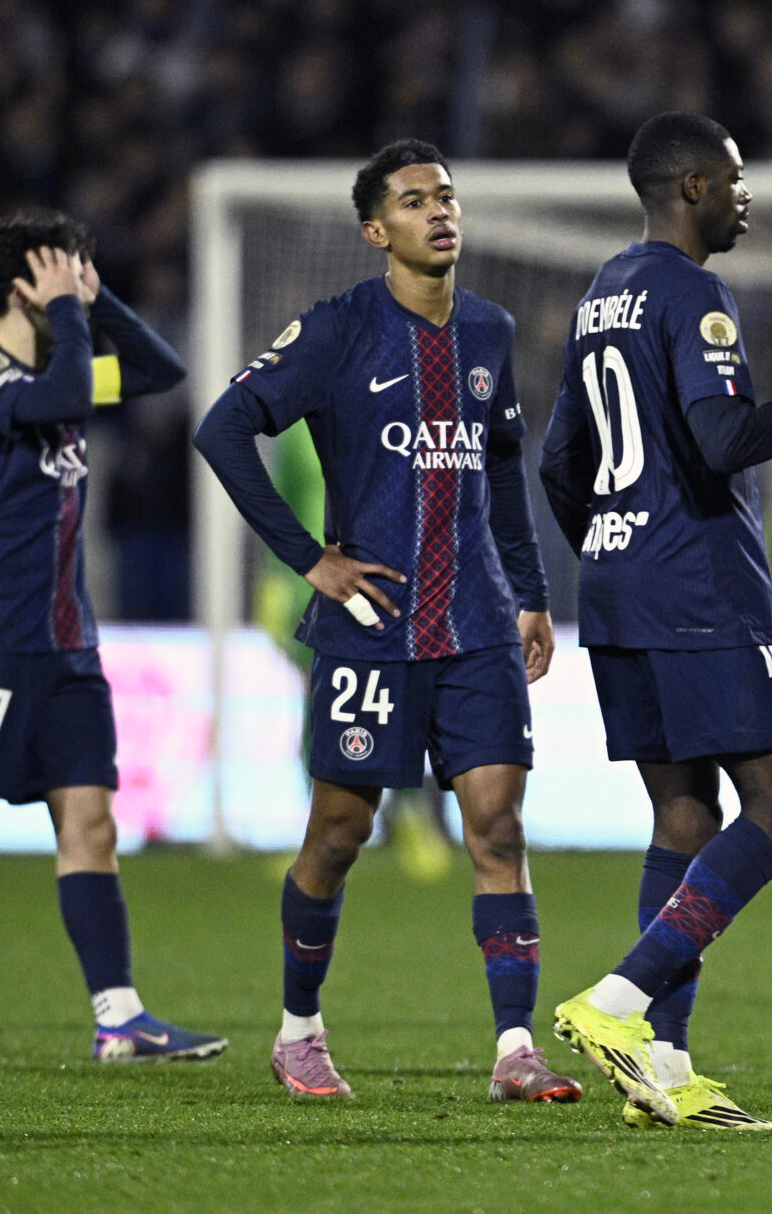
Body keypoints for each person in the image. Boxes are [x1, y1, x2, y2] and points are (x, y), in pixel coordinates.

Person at [193, 139, 579, 1105]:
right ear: (376, 232)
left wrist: (531, 593)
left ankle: (516, 1050)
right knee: (338, 832)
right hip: (372, 626)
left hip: (478, 624)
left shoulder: (488, 330)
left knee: (498, 829)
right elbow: (222, 429)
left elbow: (500, 471)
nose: (438, 211)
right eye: (413, 201)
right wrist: (307, 558)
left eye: (446, 196)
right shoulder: (337, 330)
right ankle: (299, 1033)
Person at [538, 111, 772, 1131]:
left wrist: (612, 543)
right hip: (699, 589)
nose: (745, 194)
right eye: (733, 178)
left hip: (618, 589)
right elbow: (724, 438)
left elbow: (559, 462)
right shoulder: (694, 293)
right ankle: (619, 1000)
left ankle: (665, 1068)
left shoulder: (601, 292)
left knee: (684, 817)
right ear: (692, 187)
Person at [0, 211, 223, 1064]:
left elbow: (160, 370)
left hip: (67, 647)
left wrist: (97, 304)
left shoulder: (59, 367)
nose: (77, 282)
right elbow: (65, 397)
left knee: (91, 823)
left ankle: (119, 1016)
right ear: (23, 286)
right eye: (65, 269)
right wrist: (68, 314)